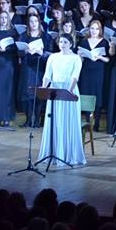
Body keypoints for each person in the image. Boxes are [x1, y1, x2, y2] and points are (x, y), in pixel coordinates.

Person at [39, 34, 85, 167]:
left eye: (65, 42)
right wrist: (43, 88)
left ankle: (68, 155)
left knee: (67, 122)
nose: (62, 44)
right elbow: (47, 75)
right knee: (55, 121)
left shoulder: (76, 58)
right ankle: (53, 153)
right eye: (60, 42)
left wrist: (68, 92)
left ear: (71, 43)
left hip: (68, 91)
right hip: (54, 91)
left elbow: (75, 76)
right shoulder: (53, 57)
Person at [16, 13, 50, 127]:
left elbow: (50, 53)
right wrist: (25, 51)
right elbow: (18, 51)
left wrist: (42, 53)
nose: (34, 23)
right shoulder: (23, 36)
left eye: (35, 21)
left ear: (39, 22)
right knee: (27, 93)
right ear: (28, 23)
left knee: (38, 94)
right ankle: (28, 119)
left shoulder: (45, 36)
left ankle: (36, 121)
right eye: (31, 21)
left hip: (40, 67)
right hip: (27, 67)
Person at [77, 19, 109, 131]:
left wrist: (99, 57)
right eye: (92, 28)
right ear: (89, 29)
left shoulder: (104, 42)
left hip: (99, 71)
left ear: (99, 30)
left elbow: (107, 59)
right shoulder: (84, 41)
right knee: (86, 93)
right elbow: (80, 59)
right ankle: (87, 121)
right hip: (86, 70)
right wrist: (80, 55)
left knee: (97, 95)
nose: (94, 31)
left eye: (96, 28)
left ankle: (96, 123)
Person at [0, 10, 18, 126]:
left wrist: (7, 49)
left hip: (8, 64)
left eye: (6, 18)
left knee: (7, 91)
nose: (4, 20)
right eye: (1, 18)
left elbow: (16, 48)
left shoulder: (13, 32)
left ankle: (6, 118)